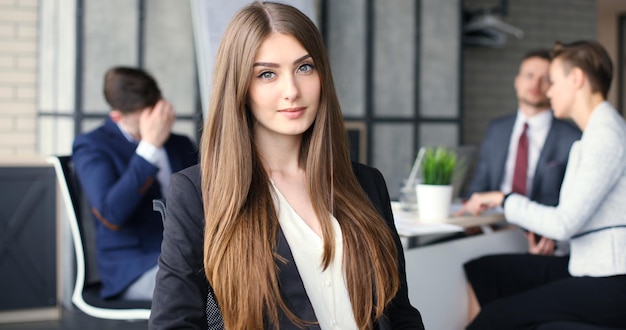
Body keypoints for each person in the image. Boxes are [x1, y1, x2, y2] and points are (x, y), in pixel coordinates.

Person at [149, 2, 424, 329]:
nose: (291, 91)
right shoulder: (199, 192)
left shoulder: (365, 183)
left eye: (304, 68)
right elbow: (172, 324)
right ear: (240, 87)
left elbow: (400, 312)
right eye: (267, 74)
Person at [458, 40, 626, 329]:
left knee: (493, 318)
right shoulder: (596, 132)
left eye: (554, 81)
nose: (548, 90)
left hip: (610, 279)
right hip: (588, 264)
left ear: (576, 79)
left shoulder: (605, 136)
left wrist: (504, 199)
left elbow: (564, 223)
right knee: (486, 271)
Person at [72, 66, 198, 301]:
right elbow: (112, 214)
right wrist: (149, 147)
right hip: (134, 267)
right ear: (117, 117)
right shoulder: (92, 146)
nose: (159, 123)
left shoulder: (180, 144)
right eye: (146, 118)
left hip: (189, 254)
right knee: (201, 289)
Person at [464, 48, 581, 255]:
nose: (535, 84)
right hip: (491, 229)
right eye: (529, 76)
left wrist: (553, 239)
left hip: (539, 237)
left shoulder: (572, 137)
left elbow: (572, 208)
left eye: (545, 79)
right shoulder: (497, 128)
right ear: (517, 81)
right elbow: (478, 187)